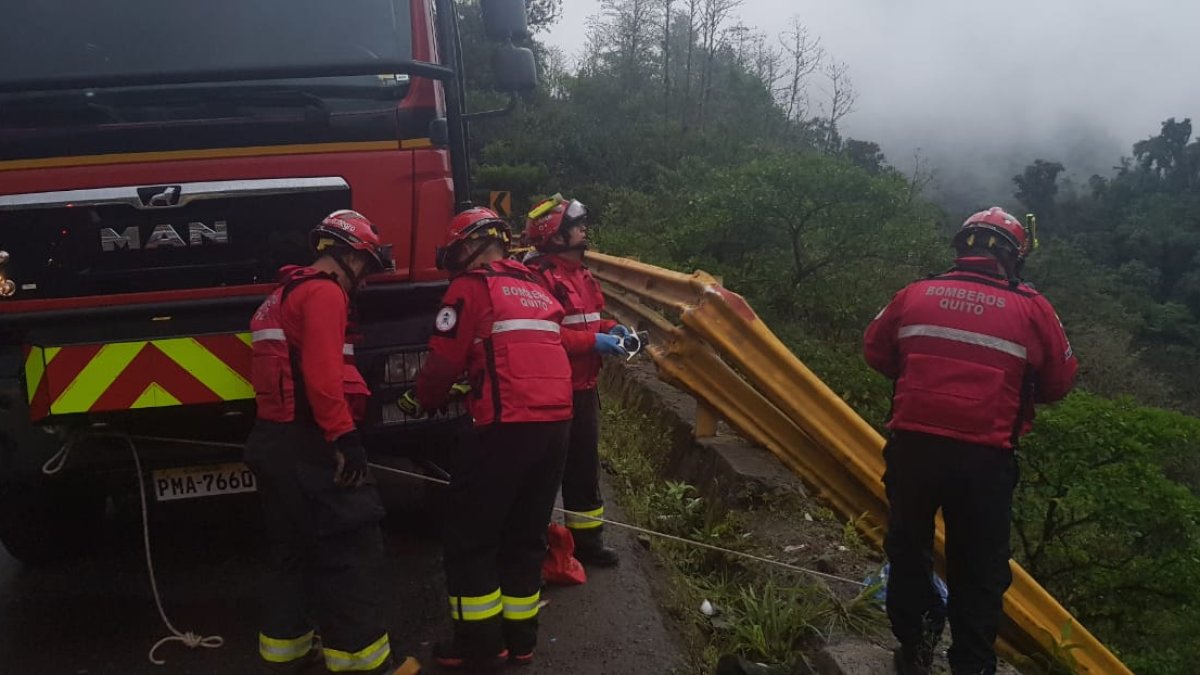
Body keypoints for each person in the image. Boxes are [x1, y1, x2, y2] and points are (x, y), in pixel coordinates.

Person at [863, 207, 1077, 675]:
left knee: (908, 547)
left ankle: (915, 648)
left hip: (914, 448)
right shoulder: (1033, 308)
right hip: (986, 457)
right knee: (979, 567)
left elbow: (876, 350)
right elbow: (1059, 382)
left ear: (962, 247)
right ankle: (972, 665)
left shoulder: (915, 293)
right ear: (1013, 258)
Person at [412, 207, 618, 670]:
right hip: (557, 425)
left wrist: (424, 400)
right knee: (524, 537)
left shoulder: (469, 288)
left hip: (505, 430)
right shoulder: (535, 288)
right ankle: (521, 642)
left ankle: (476, 646)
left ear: (467, 247)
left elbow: (443, 364)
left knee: (471, 538)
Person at [245, 210, 420, 675]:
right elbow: (323, 379)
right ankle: (367, 665)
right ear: (348, 256)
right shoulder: (324, 294)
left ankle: (288, 654)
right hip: (313, 445)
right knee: (352, 551)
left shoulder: (278, 298)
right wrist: (345, 439)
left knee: (290, 554)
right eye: (364, 266)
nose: (364, 279)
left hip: (274, 442)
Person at [522, 194, 629, 567]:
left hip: (584, 389)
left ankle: (588, 542)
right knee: (543, 475)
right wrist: (593, 342)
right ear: (557, 234)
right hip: (553, 392)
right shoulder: (539, 279)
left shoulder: (582, 275)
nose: (585, 231)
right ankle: (531, 550)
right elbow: (547, 336)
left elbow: (587, 321)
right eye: (577, 226)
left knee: (584, 469)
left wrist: (611, 329)